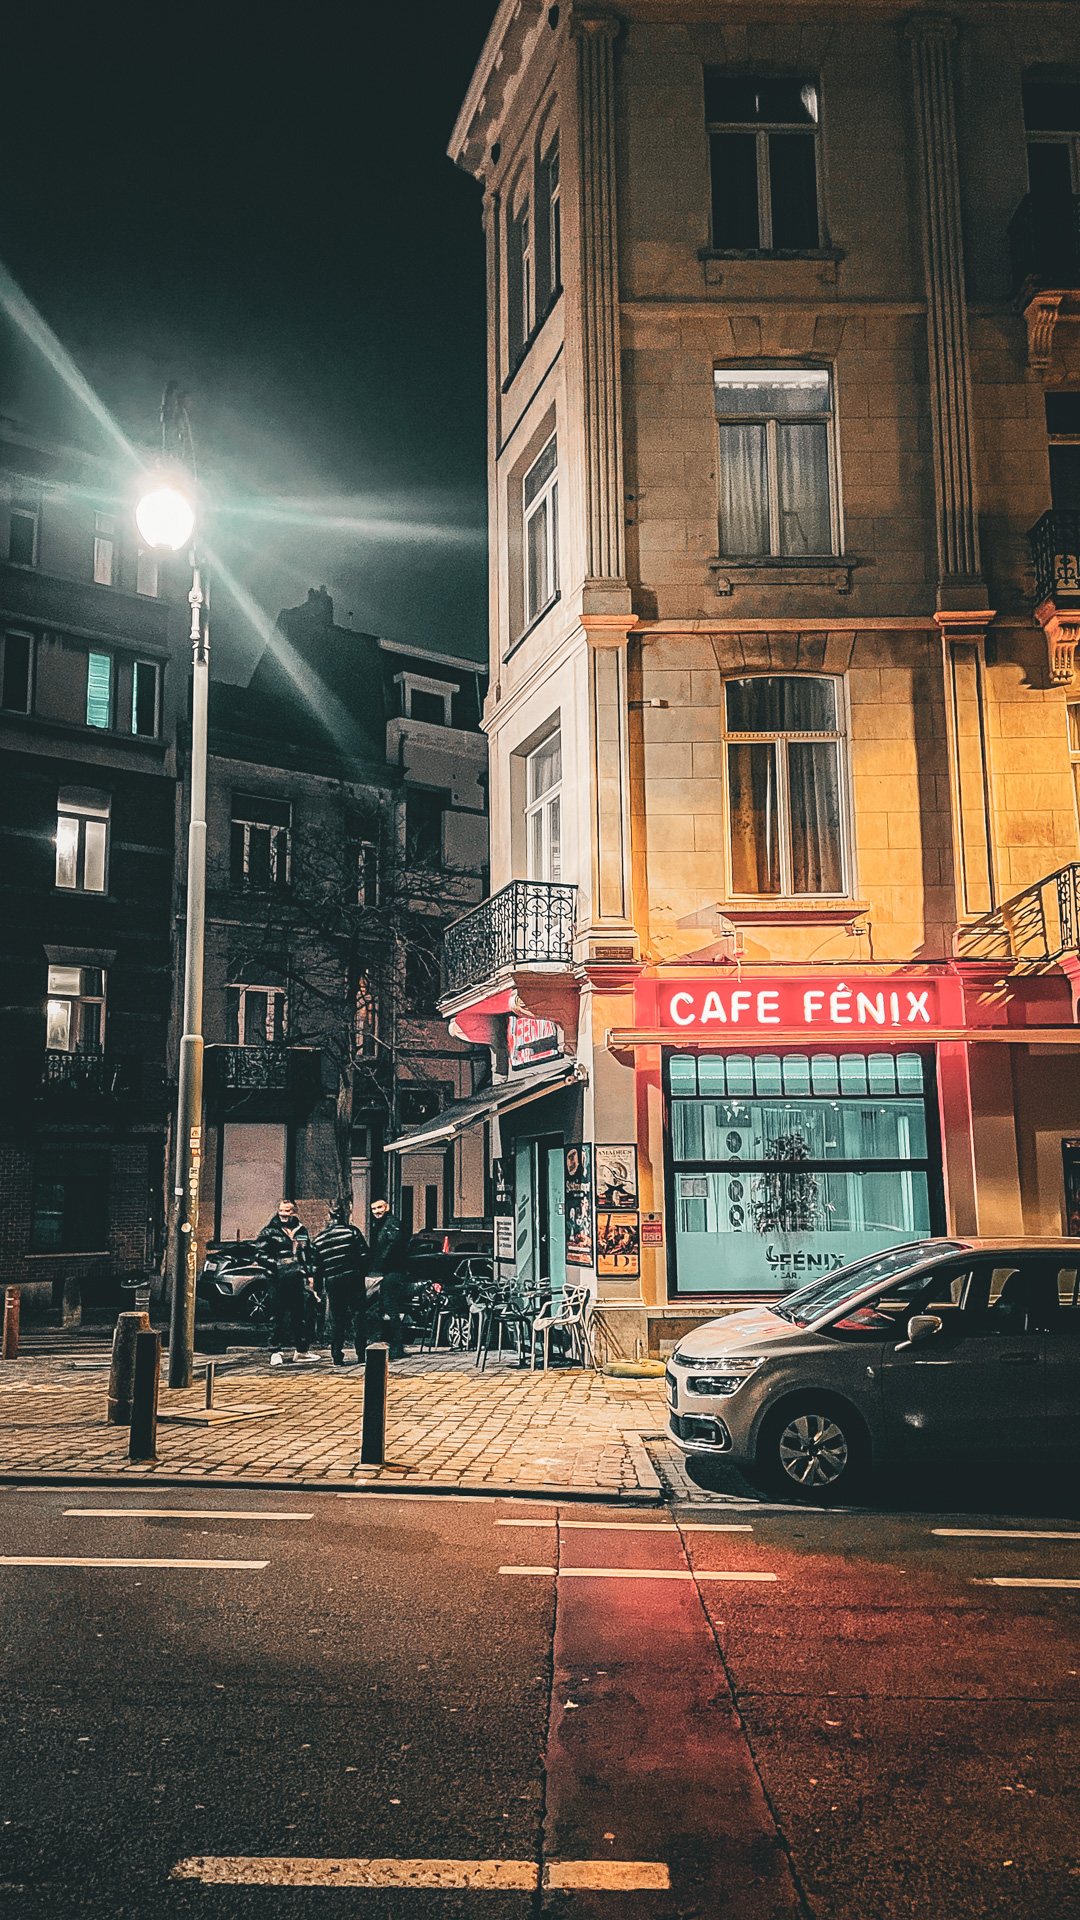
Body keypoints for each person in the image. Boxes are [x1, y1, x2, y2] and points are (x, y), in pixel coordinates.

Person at [256, 1198, 318, 1366]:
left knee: (300, 1314)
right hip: (277, 1279)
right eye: (281, 1210)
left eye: (287, 1211)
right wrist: (277, 1264)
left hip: (296, 1278)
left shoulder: (301, 1229)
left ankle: (301, 1351)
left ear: (294, 1212)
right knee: (277, 1315)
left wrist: (309, 1274)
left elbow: (307, 1253)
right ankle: (275, 1351)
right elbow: (259, 1253)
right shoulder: (269, 1231)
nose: (283, 1214)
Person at [313, 1201, 370, 1367]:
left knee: (337, 1320)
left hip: (333, 1282)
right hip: (353, 1279)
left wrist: (317, 1288)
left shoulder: (319, 1239)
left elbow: (317, 1267)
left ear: (329, 1217)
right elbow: (365, 1255)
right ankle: (361, 1353)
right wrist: (362, 1273)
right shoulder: (352, 1232)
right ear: (344, 1215)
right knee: (359, 1317)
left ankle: (337, 1356)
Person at [370, 1198, 411, 1359]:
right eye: (374, 1209)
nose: (377, 1211)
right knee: (385, 1308)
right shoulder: (381, 1225)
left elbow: (392, 1247)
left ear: (387, 1207)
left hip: (392, 1271)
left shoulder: (392, 1224)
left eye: (380, 1207)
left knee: (390, 1308)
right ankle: (389, 1342)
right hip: (388, 1271)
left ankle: (396, 1345)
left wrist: (379, 1264)